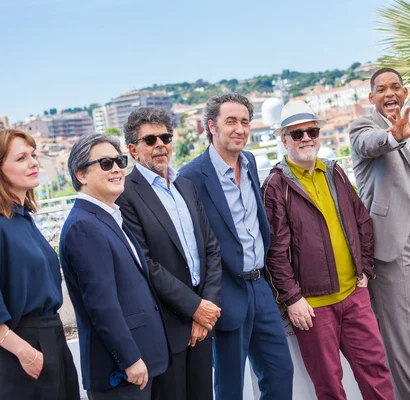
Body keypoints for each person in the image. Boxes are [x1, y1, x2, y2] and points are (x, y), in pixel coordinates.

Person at [262, 100, 395, 399]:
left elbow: (362, 221)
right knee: (329, 387)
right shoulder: (275, 185)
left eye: (312, 131)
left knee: (376, 372)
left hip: (354, 295)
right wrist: (292, 298)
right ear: (283, 140)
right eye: (297, 134)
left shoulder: (335, 172)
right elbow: (275, 251)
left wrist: (365, 271)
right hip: (313, 307)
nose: (306, 138)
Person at [179, 93, 293, 400]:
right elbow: (188, 243)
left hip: (261, 288)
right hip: (224, 293)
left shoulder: (251, 161)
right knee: (229, 387)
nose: (239, 128)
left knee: (281, 373)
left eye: (245, 121)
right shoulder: (190, 177)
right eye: (231, 121)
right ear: (211, 127)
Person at [349, 67, 410, 400]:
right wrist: (393, 136)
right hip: (390, 244)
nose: (389, 93)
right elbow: (369, 145)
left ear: (405, 93)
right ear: (371, 97)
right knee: (400, 337)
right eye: (381, 89)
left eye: (395, 87)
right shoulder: (363, 127)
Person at [116, 107, 222, 400]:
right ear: (134, 150)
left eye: (165, 137)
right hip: (166, 327)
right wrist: (194, 308)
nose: (160, 144)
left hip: (204, 321)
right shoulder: (125, 195)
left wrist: (206, 308)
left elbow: (211, 249)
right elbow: (145, 263)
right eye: (150, 140)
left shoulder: (185, 186)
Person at [60, 134, 170, 399]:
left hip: (142, 364)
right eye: (106, 163)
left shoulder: (107, 217)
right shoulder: (83, 227)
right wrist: (130, 359)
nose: (118, 168)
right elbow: (101, 304)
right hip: (121, 373)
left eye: (119, 161)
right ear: (81, 174)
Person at [0, 129, 80, 399]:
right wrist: (24, 352)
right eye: (21, 158)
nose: (34, 162)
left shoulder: (23, 218)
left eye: (32, 155)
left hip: (51, 337)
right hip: (20, 348)